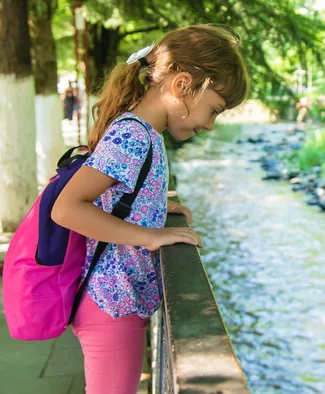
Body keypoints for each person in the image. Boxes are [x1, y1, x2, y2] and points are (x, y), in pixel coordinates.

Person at [51, 24, 249, 394]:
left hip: (120, 302)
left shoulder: (147, 135)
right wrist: (150, 235)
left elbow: (119, 195)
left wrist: (157, 205)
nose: (209, 125)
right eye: (214, 110)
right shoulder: (134, 135)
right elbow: (67, 209)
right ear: (182, 86)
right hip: (111, 306)